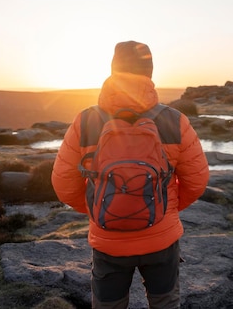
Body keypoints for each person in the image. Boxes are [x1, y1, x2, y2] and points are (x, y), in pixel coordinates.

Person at [52, 40, 210, 308]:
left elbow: (63, 183)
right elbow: (197, 181)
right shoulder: (174, 120)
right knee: (165, 302)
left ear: (113, 70)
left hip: (108, 239)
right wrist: (164, 208)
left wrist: (101, 207)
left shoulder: (86, 120)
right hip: (161, 236)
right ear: (149, 72)